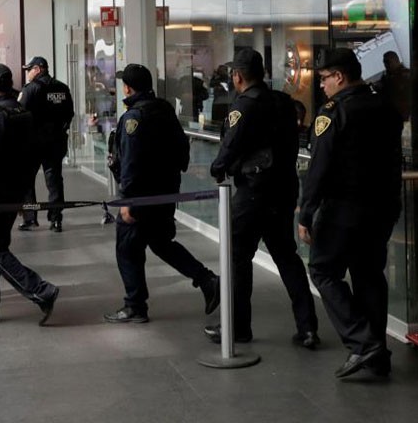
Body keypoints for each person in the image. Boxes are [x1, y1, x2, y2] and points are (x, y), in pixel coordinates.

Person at [299, 48, 402, 378]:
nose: (322, 86)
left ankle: (363, 342)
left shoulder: (334, 112)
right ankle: (378, 355)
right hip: (382, 206)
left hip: (344, 207)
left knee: (323, 270)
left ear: (339, 77)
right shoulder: (385, 105)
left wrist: (306, 212)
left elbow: (319, 167)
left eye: (324, 79)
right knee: (369, 274)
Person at [207, 48, 318, 346]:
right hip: (284, 189)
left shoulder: (245, 104)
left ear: (237, 76)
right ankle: (308, 327)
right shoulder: (283, 101)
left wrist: (217, 168)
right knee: (286, 256)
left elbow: (231, 144)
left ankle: (237, 327)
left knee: (237, 256)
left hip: (254, 191)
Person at [104, 64, 219, 323]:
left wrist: (128, 200)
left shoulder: (134, 117)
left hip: (141, 197)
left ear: (128, 88)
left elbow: (131, 162)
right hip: (166, 194)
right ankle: (207, 280)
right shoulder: (164, 109)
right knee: (161, 242)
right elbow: (182, 151)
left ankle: (135, 306)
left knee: (127, 249)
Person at [0, 62, 60, 325]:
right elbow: (31, 157)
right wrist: (23, 195)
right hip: (14, 190)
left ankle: (41, 290)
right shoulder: (22, 112)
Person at [18, 56, 74, 232]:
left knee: (27, 180)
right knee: (54, 180)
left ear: (38, 69)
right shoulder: (62, 88)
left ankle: (30, 218)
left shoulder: (31, 89)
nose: (28, 73)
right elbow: (69, 113)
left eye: (29, 70)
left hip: (33, 143)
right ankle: (56, 220)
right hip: (56, 142)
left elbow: (19, 113)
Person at [375, 51, 410, 121]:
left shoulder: (407, 75)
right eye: (385, 63)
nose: (386, 65)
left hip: (406, 115)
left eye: (388, 62)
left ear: (397, 61)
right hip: (394, 115)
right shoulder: (385, 78)